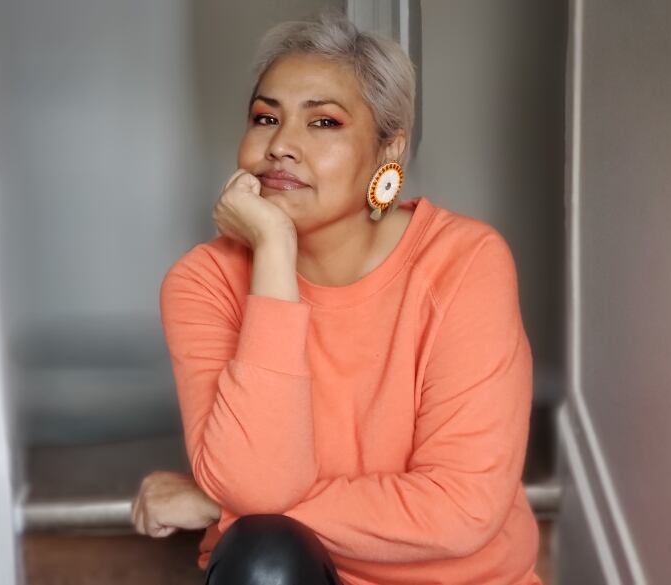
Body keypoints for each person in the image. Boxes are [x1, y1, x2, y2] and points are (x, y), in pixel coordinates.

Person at [131, 9, 542, 585]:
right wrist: (274, 249)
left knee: (258, 528)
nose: (281, 145)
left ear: (387, 151)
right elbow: (259, 488)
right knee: (263, 551)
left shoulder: (465, 263)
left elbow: (461, 507)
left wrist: (219, 506)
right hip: (294, 575)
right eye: (264, 117)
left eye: (323, 123)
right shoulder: (203, 284)